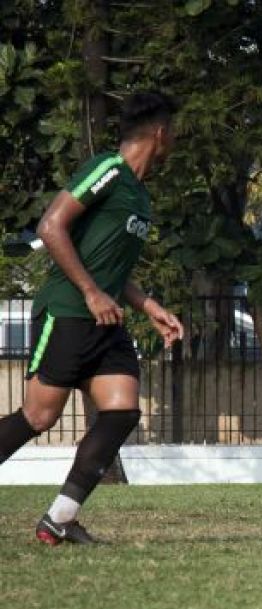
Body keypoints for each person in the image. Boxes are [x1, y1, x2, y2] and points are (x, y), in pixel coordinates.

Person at [0, 91, 185, 545]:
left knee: (121, 411)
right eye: (174, 133)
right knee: (39, 417)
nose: (175, 142)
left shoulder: (139, 195)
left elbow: (110, 267)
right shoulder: (109, 170)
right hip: (68, 312)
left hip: (106, 321)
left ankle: (59, 518)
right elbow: (51, 226)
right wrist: (88, 291)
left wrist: (149, 306)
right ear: (160, 134)